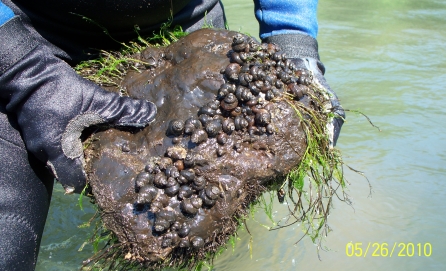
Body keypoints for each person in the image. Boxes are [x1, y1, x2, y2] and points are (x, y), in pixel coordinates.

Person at [0, 0, 344, 269]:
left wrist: (294, 43)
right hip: (25, 38)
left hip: (188, 25)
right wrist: (24, 72)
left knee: (189, 231)